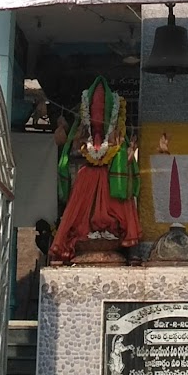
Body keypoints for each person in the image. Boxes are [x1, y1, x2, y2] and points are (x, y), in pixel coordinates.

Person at [50, 78, 141, 263]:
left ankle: (129, 251)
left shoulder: (118, 134)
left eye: (102, 109)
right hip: (90, 176)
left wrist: (120, 151)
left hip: (108, 175)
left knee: (119, 210)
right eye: (95, 109)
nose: (98, 114)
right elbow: (75, 149)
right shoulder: (83, 132)